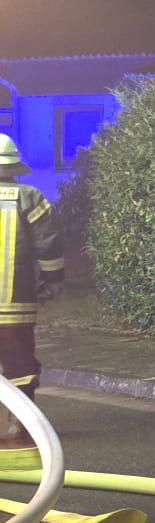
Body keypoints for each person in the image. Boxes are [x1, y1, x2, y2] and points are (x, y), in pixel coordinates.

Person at [0, 134, 63, 466]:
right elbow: (48, 245)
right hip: (14, 303)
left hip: (15, 303)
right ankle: (20, 427)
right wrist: (53, 280)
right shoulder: (29, 197)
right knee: (19, 366)